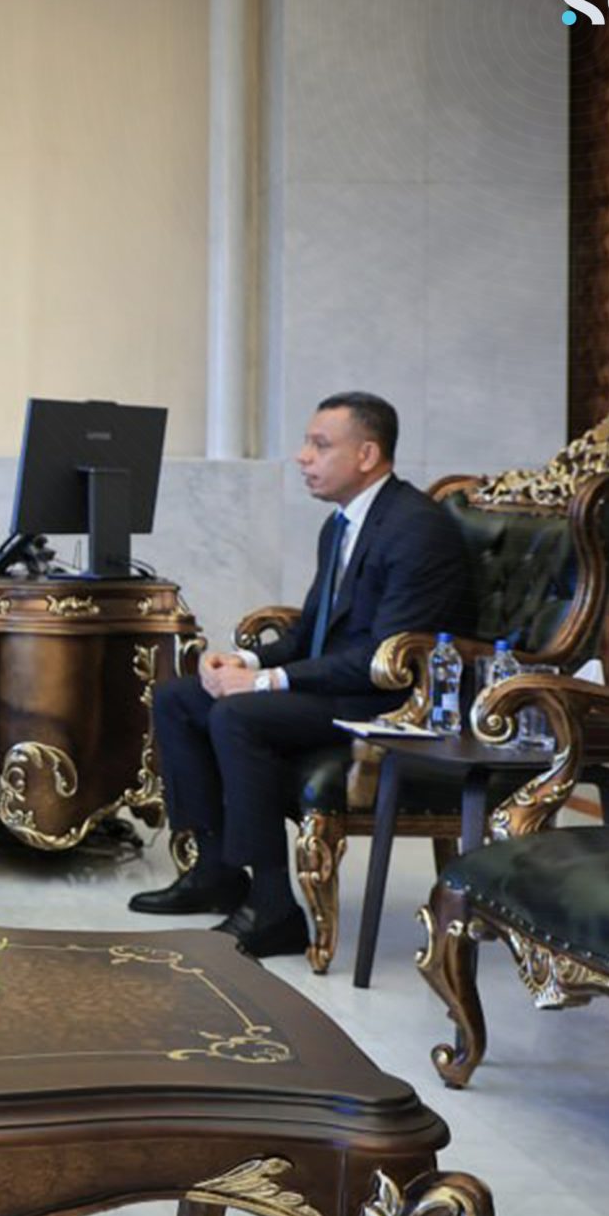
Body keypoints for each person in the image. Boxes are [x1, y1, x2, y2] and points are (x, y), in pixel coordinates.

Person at [128, 391, 473, 959]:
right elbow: (312, 632)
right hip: (340, 686)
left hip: (387, 701)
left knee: (238, 715)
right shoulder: (340, 525)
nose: (302, 456)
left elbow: (384, 659)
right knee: (178, 698)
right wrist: (247, 662)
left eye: (319, 445)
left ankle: (273, 908)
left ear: (366, 454)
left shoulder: (415, 529)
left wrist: (266, 684)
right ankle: (213, 871)